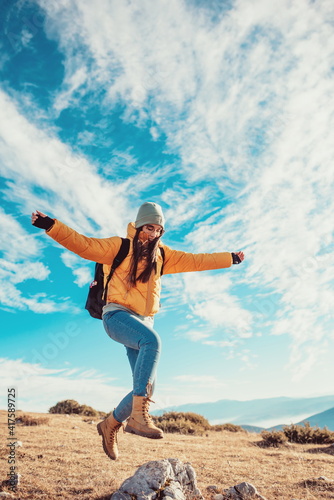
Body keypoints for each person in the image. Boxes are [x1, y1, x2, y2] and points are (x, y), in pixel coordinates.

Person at [31, 202, 244, 460]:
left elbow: (197, 260)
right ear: (139, 225)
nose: (153, 233)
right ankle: (138, 420)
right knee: (152, 343)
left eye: (158, 229)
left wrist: (229, 258)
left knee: (145, 386)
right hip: (117, 315)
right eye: (149, 227)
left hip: (144, 321)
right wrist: (51, 226)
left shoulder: (163, 256)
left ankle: (110, 424)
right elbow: (84, 245)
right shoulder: (119, 246)